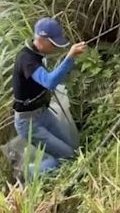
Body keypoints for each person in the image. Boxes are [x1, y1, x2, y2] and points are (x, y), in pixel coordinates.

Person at [12, 17, 87, 178]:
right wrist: (70, 58)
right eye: (53, 44)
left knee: (74, 150)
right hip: (29, 123)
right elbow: (49, 82)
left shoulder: (37, 52)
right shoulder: (27, 60)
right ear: (41, 39)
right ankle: (26, 173)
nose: (55, 48)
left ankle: (43, 167)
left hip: (43, 114)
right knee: (68, 157)